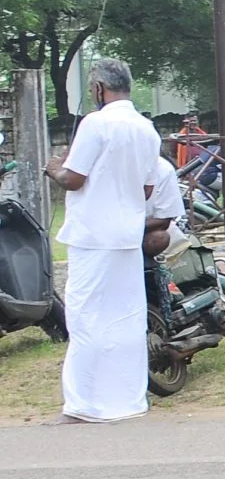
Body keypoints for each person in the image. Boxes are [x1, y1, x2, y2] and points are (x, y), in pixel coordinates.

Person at [43, 59, 164, 424]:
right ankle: (128, 399)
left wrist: (53, 168)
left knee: (85, 319)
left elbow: (73, 179)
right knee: (126, 318)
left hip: (93, 238)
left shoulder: (95, 124)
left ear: (97, 89)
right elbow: (146, 187)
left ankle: (82, 405)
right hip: (127, 237)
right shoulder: (147, 129)